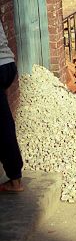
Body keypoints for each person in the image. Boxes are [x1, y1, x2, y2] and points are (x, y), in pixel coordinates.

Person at [0, 20, 21, 193]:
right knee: (4, 122)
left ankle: (15, 180)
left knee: (3, 126)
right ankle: (15, 178)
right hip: (7, 65)